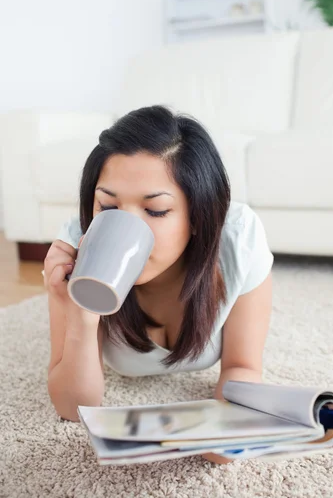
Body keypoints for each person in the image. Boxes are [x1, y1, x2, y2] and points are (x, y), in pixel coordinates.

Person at [44, 105, 274, 464]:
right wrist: (80, 315)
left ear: (198, 215)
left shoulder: (237, 240)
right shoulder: (75, 249)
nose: (128, 226)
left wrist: (227, 428)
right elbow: (73, 408)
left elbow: (242, 367)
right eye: (107, 205)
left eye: (155, 211)